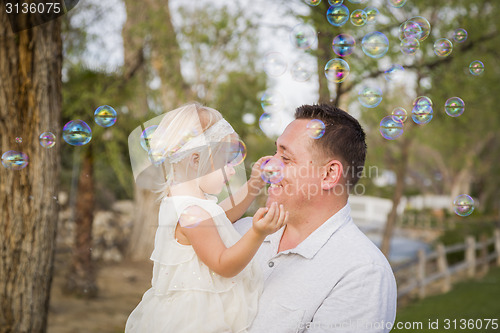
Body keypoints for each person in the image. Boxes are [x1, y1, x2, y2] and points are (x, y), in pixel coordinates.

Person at [234, 103, 397, 333]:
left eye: (286, 158)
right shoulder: (240, 231)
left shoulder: (362, 273)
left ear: (330, 174)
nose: (269, 166)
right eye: (275, 152)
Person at [125, 103, 288, 333]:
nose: (232, 171)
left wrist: (253, 185)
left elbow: (221, 215)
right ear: (194, 160)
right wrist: (257, 233)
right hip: (195, 321)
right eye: (226, 162)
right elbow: (224, 264)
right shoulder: (192, 214)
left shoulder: (189, 206)